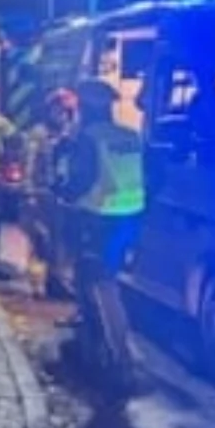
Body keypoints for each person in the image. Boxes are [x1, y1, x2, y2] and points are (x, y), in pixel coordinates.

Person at [54, 78, 145, 379]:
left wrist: (62, 193)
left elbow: (80, 178)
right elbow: (154, 176)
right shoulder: (131, 135)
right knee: (106, 275)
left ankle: (120, 356)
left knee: (100, 281)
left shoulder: (88, 138)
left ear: (86, 106)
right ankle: (94, 336)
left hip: (97, 216)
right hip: (130, 216)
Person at [22, 88, 79, 299]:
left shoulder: (71, 134)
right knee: (41, 241)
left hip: (61, 197)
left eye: (67, 110)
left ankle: (57, 282)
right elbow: (28, 164)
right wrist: (29, 193)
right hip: (41, 193)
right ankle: (38, 285)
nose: (62, 115)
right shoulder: (38, 134)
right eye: (59, 109)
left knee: (60, 243)